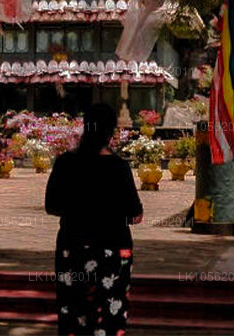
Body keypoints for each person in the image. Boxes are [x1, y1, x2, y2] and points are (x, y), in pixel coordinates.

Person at [44, 103, 143, 335]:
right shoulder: (118, 167)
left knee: (73, 309)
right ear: (111, 132)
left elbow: (52, 206)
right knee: (110, 311)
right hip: (112, 248)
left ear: (85, 127)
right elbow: (134, 214)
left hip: (73, 247)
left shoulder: (65, 163)